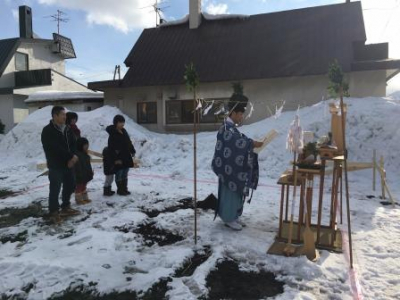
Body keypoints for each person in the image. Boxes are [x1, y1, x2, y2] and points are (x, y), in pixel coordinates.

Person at [211, 89, 262, 231]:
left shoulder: (231, 127)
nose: (241, 117)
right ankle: (228, 218)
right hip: (229, 169)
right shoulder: (226, 128)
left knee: (237, 193)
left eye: (242, 114)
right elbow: (234, 142)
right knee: (230, 193)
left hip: (234, 167)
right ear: (232, 113)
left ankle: (234, 215)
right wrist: (251, 144)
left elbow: (240, 139)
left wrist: (251, 142)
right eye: (239, 114)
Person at [41, 106, 80, 224]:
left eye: (65, 114)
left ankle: (65, 207)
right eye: (62, 114)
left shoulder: (67, 129)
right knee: (55, 188)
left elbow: (74, 144)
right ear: (55, 116)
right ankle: (53, 212)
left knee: (71, 185)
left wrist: (73, 157)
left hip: (69, 164)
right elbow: (54, 148)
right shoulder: (48, 130)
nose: (65, 117)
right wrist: (70, 157)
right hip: (56, 165)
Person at [106, 115, 136, 196]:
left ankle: (124, 188)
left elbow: (128, 142)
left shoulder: (124, 131)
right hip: (118, 157)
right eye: (121, 122)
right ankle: (120, 190)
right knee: (119, 173)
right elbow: (111, 148)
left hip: (126, 155)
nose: (122, 124)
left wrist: (132, 150)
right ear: (116, 123)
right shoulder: (113, 133)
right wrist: (115, 159)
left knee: (125, 173)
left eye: (123, 122)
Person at [74, 137, 94, 205]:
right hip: (80, 174)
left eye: (87, 145)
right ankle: (79, 199)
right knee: (79, 187)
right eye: (85, 145)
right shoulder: (77, 155)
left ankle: (85, 198)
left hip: (86, 173)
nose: (87, 147)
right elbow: (77, 167)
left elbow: (88, 165)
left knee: (84, 186)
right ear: (80, 145)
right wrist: (78, 174)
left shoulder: (85, 154)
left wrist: (90, 172)